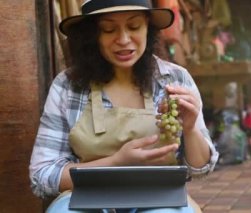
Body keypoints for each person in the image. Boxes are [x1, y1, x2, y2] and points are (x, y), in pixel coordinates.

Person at [29, 0, 219, 212]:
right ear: (92, 35)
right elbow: (42, 175)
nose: (124, 39)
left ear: (148, 28)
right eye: (108, 29)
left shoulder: (174, 78)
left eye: (134, 26)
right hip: (86, 197)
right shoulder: (67, 86)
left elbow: (201, 169)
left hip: (159, 197)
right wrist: (117, 161)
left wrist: (191, 129)